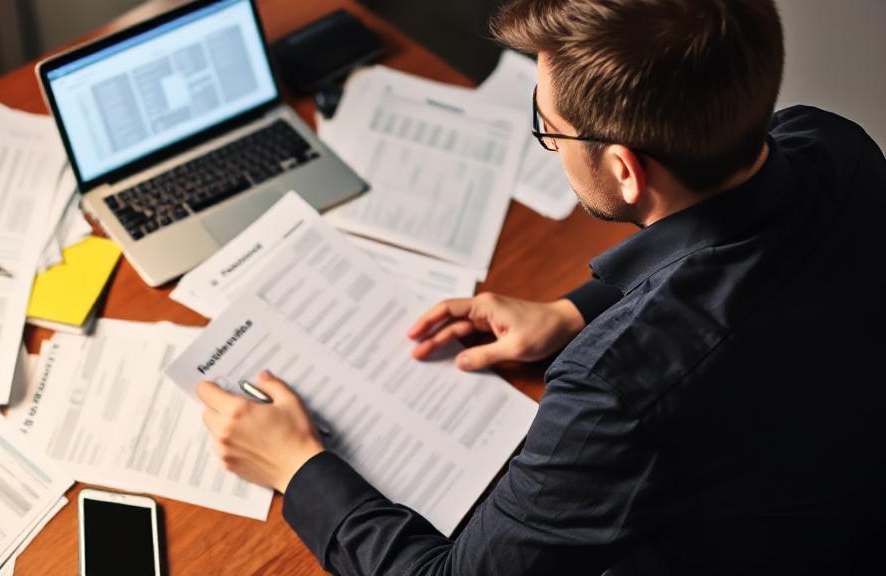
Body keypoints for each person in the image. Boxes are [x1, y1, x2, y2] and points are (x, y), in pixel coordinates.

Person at [194, 0, 886, 573]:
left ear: (624, 170)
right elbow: (731, 271)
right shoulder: (835, 144)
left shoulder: (613, 392)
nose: (549, 144)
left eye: (548, 128)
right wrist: (571, 313)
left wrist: (298, 467)